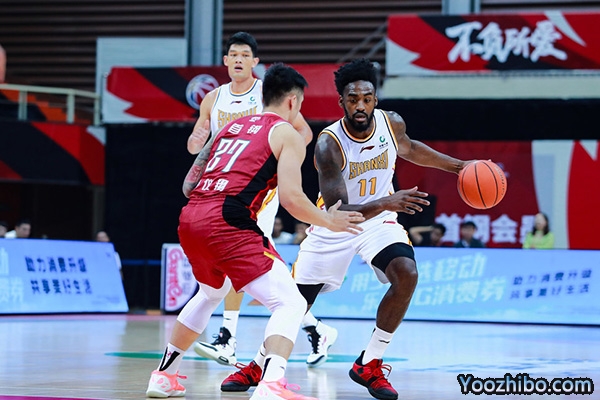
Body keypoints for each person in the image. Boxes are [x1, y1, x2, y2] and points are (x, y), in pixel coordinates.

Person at [223, 58, 472, 400]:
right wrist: (389, 201)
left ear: (375, 100)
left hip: (379, 222)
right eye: (353, 99)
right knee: (297, 304)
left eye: (366, 99)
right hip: (335, 224)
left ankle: (370, 363)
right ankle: (259, 363)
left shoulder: (391, 124)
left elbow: (411, 148)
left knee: (407, 272)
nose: (360, 106)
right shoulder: (328, 144)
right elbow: (340, 209)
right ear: (341, 101)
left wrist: (459, 167)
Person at [145, 63, 364, 400]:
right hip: (227, 222)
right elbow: (292, 199)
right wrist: (329, 221)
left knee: (210, 293)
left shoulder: (231, 127)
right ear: (292, 101)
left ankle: (164, 376)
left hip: (191, 217)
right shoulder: (287, 134)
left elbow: (189, 184)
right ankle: (272, 385)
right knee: (291, 302)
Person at [187, 31, 324, 368]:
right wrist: (197, 140)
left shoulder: (267, 94)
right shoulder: (213, 99)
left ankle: (227, 339)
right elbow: (195, 145)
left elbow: (304, 132)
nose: (238, 60)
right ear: (225, 61)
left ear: (255, 62)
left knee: (236, 257)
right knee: (255, 264)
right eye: (233, 54)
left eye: (245, 55)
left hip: (256, 190)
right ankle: (315, 328)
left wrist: (281, 160)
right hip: (221, 188)